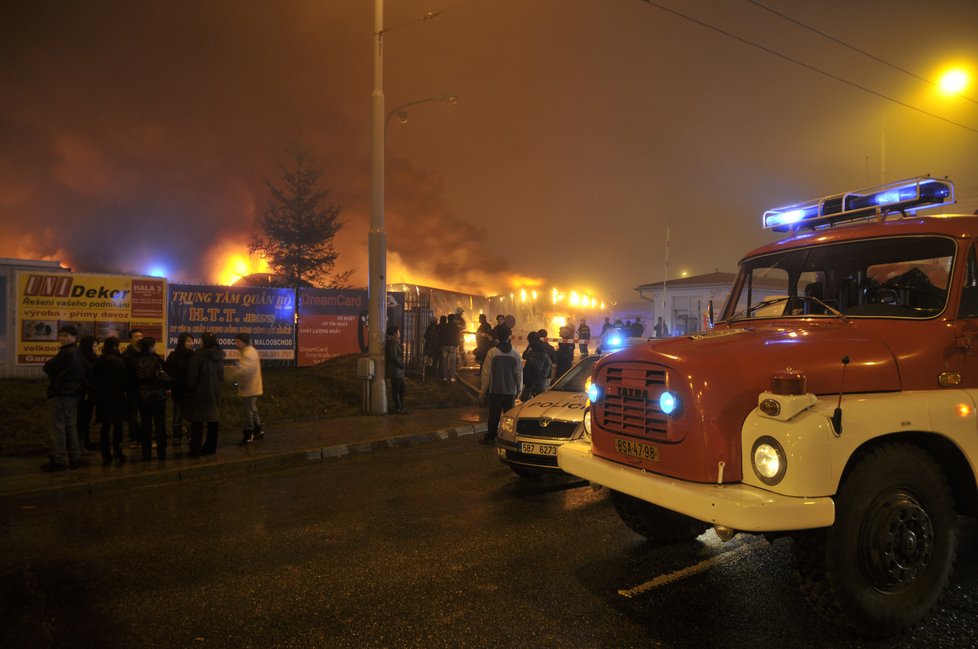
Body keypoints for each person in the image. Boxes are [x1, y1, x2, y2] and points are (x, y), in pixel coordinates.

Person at [40, 325, 87, 471]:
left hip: (62, 393)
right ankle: (75, 457)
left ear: (74, 338)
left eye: (67, 336)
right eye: (61, 335)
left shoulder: (66, 353)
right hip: (73, 394)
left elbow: (48, 367)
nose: (63, 338)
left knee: (58, 427)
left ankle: (61, 460)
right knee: (70, 426)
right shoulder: (78, 352)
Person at [479, 325, 522, 445]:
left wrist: (483, 390)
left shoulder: (492, 352)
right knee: (509, 416)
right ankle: (508, 437)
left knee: (494, 415)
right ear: (509, 337)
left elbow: (486, 373)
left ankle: (490, 437)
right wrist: (519, 389)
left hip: (495, 390)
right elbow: (519, 373)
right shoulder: (515, 354)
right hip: (510, 391)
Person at [185, 332, 225, 457]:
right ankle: (210, 447)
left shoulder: (199, 355)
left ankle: (195, 450)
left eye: (201, 340)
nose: (199, 342)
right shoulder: (218, 356)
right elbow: (220, 376)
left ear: (205, 342)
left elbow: (192, 376)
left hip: (200, 391)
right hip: (215, 391)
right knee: (213, 419)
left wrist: (189, 388)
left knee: (197, 422)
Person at [131, 336, 169, 461]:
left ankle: (146, 453)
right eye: (154, 345)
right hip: (158, 396)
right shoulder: (157, 360)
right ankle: (161, 453)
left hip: (142, 397)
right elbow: (164, 376)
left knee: (145, 425)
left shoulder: (134, 360)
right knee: (160, 425)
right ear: (150, 347)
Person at [93, 336, 129, 466]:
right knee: (118, 427)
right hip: (117, 397)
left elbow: (94, 378)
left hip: (102, 398)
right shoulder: (120, 362)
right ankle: (118, 453)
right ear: (115, 347)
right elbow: (125, 381)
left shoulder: (99, 361)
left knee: (105, 427)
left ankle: (106, 454)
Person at [234, 332, 264, 445]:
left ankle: (248, 434)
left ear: (244, 342)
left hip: (249, 387)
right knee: (253, 409)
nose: (236, 344)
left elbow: (245, 371)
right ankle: (258, 429)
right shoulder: (248, 352)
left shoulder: (248, 354)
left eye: (238, 341)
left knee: (248, 412)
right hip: (251, 386)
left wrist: (233, 372)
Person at [164, 333, 194, 444]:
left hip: (190, 389)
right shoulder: (174, 356)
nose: (191, 343)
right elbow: (168, 372)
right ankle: (177, 436)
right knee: (178, 412)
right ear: (182, 342)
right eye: (188, 341)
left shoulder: (194, 356)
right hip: (177, 389)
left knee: (190, 413)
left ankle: (191, 435)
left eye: (191, 341)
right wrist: (168, 387)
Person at [122, 328, 144, 448]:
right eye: (136, 336)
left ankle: (143, 438)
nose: (139, 339)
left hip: (144, 389)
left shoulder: (145, 353)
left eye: (141, 336)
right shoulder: (127, 355)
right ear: (130, 339)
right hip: (132, 389)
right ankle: (134, 438)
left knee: (144, 414)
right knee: (133, 415)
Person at [77, 334, 98, 451]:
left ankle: (86, 441)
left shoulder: (92, 358)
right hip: (84, 392)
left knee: (86, 417)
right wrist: (92, 386)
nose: (95, 348)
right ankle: (80, 442)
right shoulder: (82, 359)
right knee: (83, 418)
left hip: (89, 392)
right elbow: (83, 377)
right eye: (94, 346)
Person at [520, 331, 553, 401]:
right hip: (542, 383)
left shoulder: (532, 354)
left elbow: (528, 368)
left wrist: (525, 382)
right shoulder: (546, 353)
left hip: (532, 384)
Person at [385, 324, 408, 414]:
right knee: (397, 389)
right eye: (398, 332)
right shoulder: (393, 343)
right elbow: (394, 356)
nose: (399, 333)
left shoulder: (394, 342)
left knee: (402, 388)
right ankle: (398, 407)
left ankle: (400, 406)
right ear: (395, 333)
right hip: (395, 370)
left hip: (398, 370)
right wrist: (400, 365)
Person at [439, 313, 461, 382]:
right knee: (452, 362)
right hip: (452, 345)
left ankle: (445, 377)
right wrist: (457, 344)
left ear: (448, 319)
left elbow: (441, 336)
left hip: (444, 345)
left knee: (444, 361)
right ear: (454, 319)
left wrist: (441, 344)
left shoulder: (444, 326)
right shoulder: (456, 327)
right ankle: (452, 377)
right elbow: (458, 336)